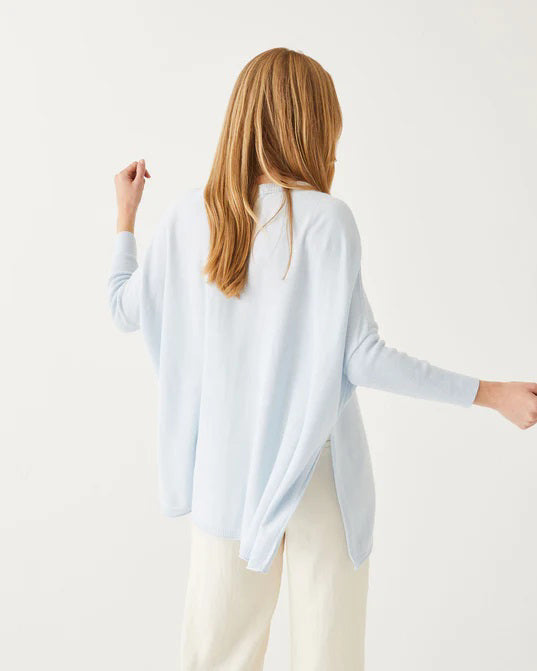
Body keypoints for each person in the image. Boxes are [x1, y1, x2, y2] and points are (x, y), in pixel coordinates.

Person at [108, 47, 537, 671]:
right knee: (329, 658)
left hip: (226, 477)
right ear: (309, 125)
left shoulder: (186, 218)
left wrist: (126, 218)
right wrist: (492, 393)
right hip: (318, 472)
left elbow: (123, 308)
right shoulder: (327, 220)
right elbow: (364, 357)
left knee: (217, 658)